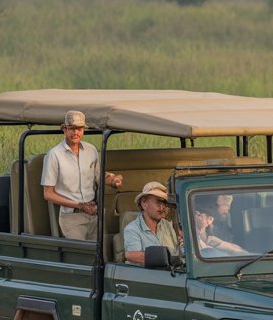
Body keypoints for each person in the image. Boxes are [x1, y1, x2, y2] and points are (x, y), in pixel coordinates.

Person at [41, 110, 123, 241]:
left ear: (83, 130)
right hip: (72, 217)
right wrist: (80, 206)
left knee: (100, 251)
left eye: (79, 129)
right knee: (81, 252)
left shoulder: (91, 150)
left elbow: (98, 176)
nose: (75, 133)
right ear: (64, 129)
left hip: (94, 213)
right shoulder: (54, 155)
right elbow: (48, 194)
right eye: (71, 128)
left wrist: (113, 180)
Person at [123, 181, 181, 265]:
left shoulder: (168, 225)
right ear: (144, 203)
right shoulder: (132, 230)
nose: (163, 207)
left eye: (165, 203)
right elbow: (133, 257)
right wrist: (170, 259)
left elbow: (178, 251)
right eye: (159, 202)